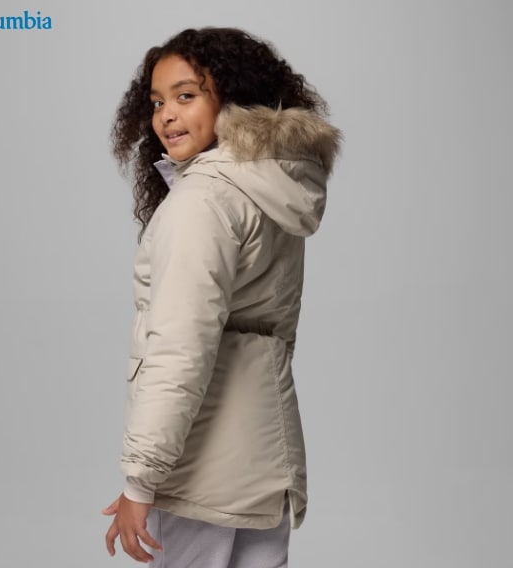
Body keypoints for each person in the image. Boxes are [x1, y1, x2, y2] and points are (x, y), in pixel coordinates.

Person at [102, 27, 341, 567]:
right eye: (157, 102)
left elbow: (179, 350)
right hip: (265, 461)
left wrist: (141, 480)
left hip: (199, 469)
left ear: (232, 99)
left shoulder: (203, 202)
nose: (166, 116)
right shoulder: (269, 190)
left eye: (186, 96)